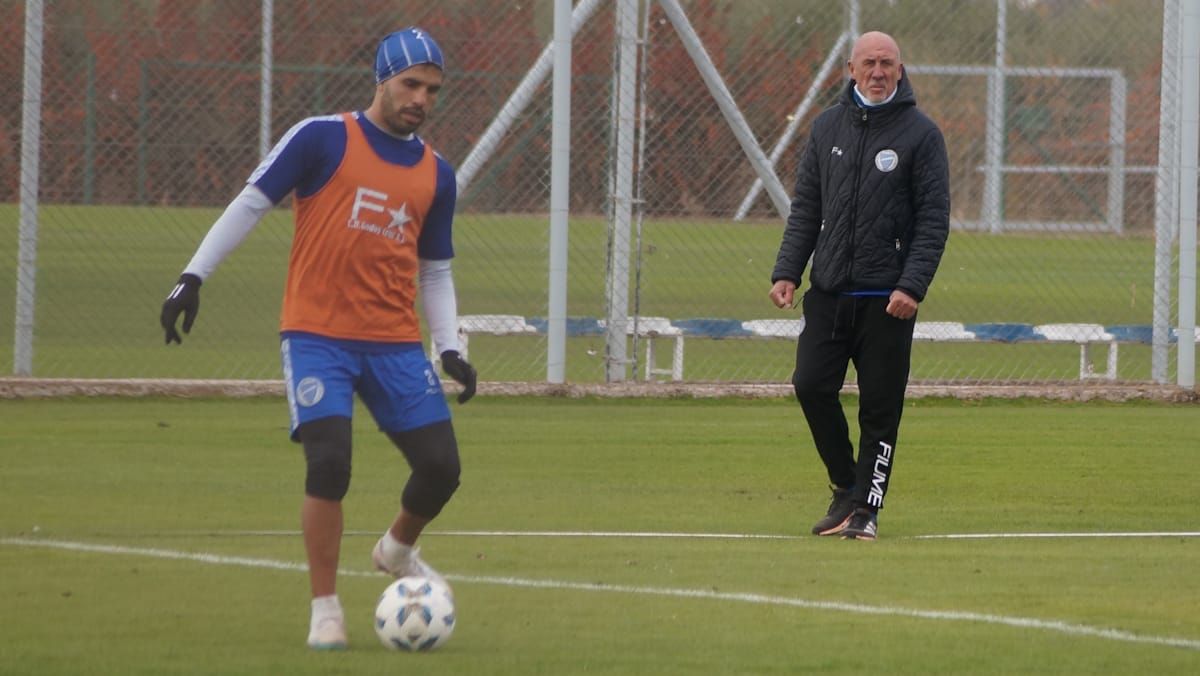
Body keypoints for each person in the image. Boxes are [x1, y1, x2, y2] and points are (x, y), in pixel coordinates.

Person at [159, 27, 477, 649]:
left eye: (432, 89)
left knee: (442, 469)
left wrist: (449, 346)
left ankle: (395, 549)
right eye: (410, 83)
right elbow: (250, 203)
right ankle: (325, 607)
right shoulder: (322, 137)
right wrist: (192, 277)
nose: (421, 98)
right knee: (330, 462)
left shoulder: (437, 174)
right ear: (381, 80)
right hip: (317, 336)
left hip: (391, 342)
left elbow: (435, 268)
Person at [768, 31, 949, 541]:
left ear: (900, 68)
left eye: (886, 63)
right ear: (850, 68)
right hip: (828, 292)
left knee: (879, 409)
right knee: (810, 385)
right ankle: (845, 487)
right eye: (868, 62)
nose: (877, 71)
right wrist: (787, 271)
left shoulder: (921, 134)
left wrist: (911, 285)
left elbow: (934, 220)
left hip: (887, 300)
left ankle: (866, 511)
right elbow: (807, 208)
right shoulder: (826, 128)